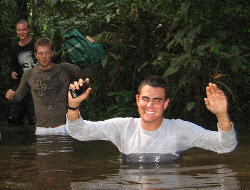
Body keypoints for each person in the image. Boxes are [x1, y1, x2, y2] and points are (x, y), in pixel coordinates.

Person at [65, 76, 237, 163]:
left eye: (157, 100)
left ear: (166, 104)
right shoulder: (122, 127)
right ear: (137, 99)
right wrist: (73, 106)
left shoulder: (179, 130)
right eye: (145, 99)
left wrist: (222, 115)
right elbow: (78, 132)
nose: (150, 106)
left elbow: (226, 146)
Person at [5, 37, 92, 135]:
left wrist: (90, 49)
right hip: (41, 129)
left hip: (63, 127)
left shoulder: (64, 69)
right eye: (40, 53)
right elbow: (18, 97)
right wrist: (11, 96)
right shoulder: (29, 74)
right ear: (35, 55)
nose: (44, 56)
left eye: (47, 52)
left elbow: (87, 74)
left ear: (52, 53)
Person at [8, 19, 37, 124]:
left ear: (28, 30)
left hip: (36, 84)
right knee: (12, 118)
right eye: (19, 30)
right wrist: (12, 71)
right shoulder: (15, 47)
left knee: (34, 119)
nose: (21, 32)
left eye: (23, 30)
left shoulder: (35, 44)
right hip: (22, 84)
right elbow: (13, 63)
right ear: (16, 31)